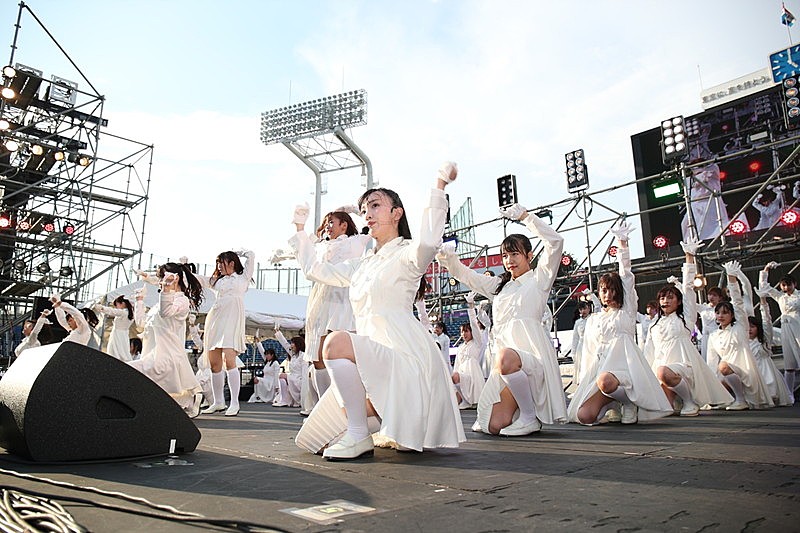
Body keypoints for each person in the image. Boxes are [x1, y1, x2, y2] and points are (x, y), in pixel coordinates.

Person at [292, 162, 465, 460]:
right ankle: (368, 424)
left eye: (375, 205)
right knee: (313, 441)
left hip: (405, 360)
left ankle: (360, 435)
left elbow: (428, 241)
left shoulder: (408, 251)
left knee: (334, 343)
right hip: (373, 360)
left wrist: (439, 185)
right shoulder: (362, 264)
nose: (367, 214)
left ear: (396, 213)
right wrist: (300, 230)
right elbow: (315, 270)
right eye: (364, 209)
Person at [436, 202, 567, 437]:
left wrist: (527, 217)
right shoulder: (500, 286)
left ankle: (529, 417)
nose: (509, 260)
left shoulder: (540, 279)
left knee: (506, 356)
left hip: (531, 358)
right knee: (493, 425)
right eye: (505, 255)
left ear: (529, 255)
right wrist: (448, 260)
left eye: (515, 254)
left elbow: (555, 242)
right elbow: (468, 276)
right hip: (506, 365)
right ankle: (521, 412)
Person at [568, 222, 673, 425]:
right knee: (585, 416)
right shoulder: (596, 318)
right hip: (601, 371)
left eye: (609, 290)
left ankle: (629, 402)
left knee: (606, 381)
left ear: (618, 291)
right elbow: (590, 351)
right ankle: (614, 403)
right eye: (602, 290)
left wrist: (622, 245)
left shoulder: (626, 311)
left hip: (625, 370)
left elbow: (626, 276)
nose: (605, 295)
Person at [644, 237, 733, 415]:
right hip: (661, 368)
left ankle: (689, 401)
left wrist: (689, 257)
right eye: (662, 298)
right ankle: (675, 399)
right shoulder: (655, 323)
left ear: (678, 302)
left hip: (683, 366)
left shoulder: (685, 318)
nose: (665, 301)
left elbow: (689, 287)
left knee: (663, 372)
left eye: (670, 297)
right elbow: (649, 349)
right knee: (661, 409)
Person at [292, 209, 370, 406]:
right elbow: (306, 256)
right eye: (326, 222)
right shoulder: (321, 246)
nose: (327, 225)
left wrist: (352, 210)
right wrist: (299, 226)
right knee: (318, 357)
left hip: (344, 298)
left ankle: (348, 405)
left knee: (342, 354)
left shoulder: (356, 241)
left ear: (344, 225)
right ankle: (324, 407)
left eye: (331, 221)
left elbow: (371, 224)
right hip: (322, 298)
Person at [129, 262, 204, 418]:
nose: (160, 280)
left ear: (175, 279)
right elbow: (141, 324)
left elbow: (166, 313)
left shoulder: (181, 301)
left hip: (167, 355)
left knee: (132, 373)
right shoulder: (160, 301)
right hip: (152, 353)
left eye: (162, 276)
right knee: (158, 390)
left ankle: (191, 398)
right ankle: (191, 398)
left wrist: (166, 290)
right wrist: (140, 300)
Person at [197, 249, 255, 417]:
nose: (218, 267)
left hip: (232, 320)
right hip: (216, 318)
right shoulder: (218, 282)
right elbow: (200, 279)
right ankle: (218, 402)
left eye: (221, 263)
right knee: (214, 362)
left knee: (230, 359)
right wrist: (183, 270)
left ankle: (235, 403)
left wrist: (239, 252)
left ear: (231, 263)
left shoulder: (243, 278)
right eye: (217, 263)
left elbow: (251, 255)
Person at [707, 261, 772, 410]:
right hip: (728, 373)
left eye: (725, 312)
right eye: (718, 313)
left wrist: (731, 278)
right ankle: (732, 398)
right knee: (720, 381)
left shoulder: (740, 327)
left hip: (745, 371)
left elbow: (737, 301)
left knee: (723, 366)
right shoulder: (714, 335)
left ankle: (741, 400)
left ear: (732, 315)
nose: (721, 316)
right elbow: (711, 361)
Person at [759, 262, 800, 397]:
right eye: (783, 285)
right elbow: (764, 287)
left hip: (798, 327)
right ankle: (789, 394)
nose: (786, 287)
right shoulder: (780, 296)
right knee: (789, 363)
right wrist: (766, 269)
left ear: (794, 284)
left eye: (789, 284)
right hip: (786, 329)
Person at [751, 288, 793, 406]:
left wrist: (763, 301)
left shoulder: (764, 340)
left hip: (767, 372)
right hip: (753, 372)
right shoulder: (744, 342)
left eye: (752, 326)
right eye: (747, 327)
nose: (749, 329)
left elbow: (767, 321)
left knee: (771, 393)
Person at [680, 161, 730, 242]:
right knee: (687, 226)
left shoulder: (712, 174)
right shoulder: (689, 180)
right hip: (696, 207)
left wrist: (700, 167)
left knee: (714, 226)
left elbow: (711, 168)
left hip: (711, 204)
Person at [451, 291, 485, 408]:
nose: (463, 334)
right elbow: (457, 365)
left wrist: (470, 306)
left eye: (466, 331)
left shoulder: (476, 343)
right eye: (462, 331)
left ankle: (467, 400)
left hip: (472, 378)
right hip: (462, 375)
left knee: (455, 377)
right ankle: (462, 400)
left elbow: (474, 324)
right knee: (452, 378)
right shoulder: (460, 347)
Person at [273, 323, 307, 410]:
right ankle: (284, 400)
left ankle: (286, 400)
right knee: (281, 376)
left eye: (293, 343)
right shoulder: (293, 355)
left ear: (298, 344)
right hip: (293, 377)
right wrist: (278, 332)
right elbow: (285, 344)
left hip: (299, 380)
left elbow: (304, 374)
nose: (291, 345)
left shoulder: (303, 356)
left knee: (282, 376)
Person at [93, 295, 135, 361]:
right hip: (124, 335)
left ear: (123, 304)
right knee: (123, 351)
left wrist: (101, 308)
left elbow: (112, 311)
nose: (116, 307)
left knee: (116, 352)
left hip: (117, 334)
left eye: (117, 305)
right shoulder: (131, 313)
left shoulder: (123, 312)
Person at [698, 287, 728, 365]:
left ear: (720, 297)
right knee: (707, 360)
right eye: (710, 294)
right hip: (706, 337)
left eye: (714, 295)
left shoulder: (723, 309)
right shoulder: (703, 308)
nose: (711, 297)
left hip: (718, 336)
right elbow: (690, 302)